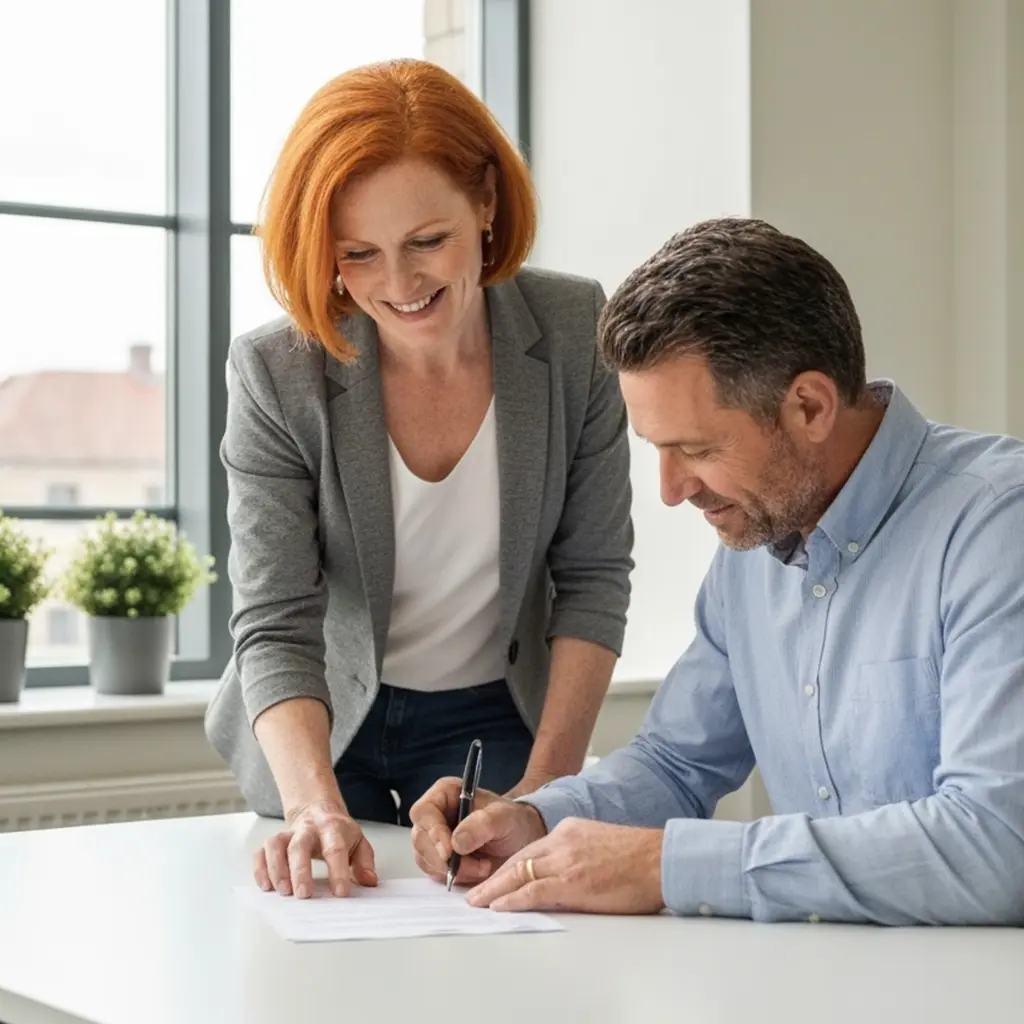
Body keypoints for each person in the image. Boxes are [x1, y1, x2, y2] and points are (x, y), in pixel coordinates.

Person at [410, 217, 1024, 926]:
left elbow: (996, 846)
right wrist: (534, 820)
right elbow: (677, 764)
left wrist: (663, 867)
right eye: (658, 450)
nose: (672, 490)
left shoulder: (995, 529)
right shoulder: (754, 539)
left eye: (696, 450)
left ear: (809, 406)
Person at [204, 59, 633, 900]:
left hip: (497, 721)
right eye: (357, 255)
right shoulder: (275, 371)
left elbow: (591, 580)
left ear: (486, 204)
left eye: (425, 242)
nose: (398, 286)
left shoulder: (576, 330)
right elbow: (275, 620)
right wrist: (313, 807)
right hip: (324, 724)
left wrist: (545, 795)